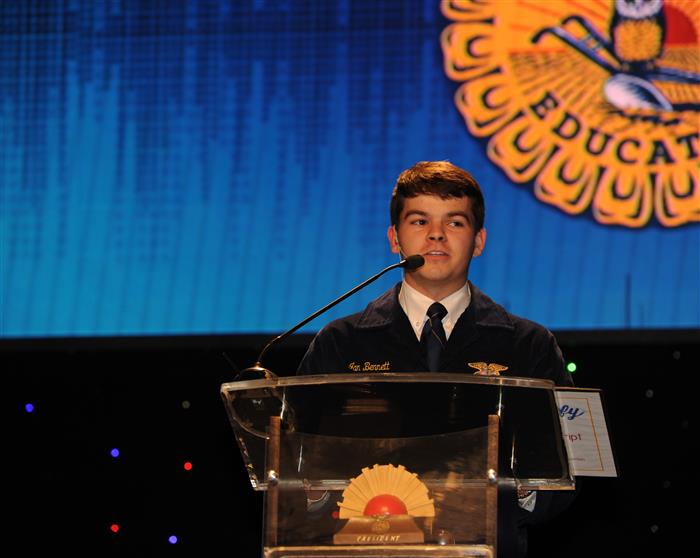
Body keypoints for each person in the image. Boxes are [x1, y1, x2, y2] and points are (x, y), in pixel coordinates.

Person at [296, 160, 576, 557]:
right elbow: (298, 464)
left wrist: (525, 487)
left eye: (455, 222)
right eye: (419, 221)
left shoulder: (528, 345)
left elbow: (565, 472)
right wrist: (313, 490)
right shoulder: (342, 343)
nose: (436, 235)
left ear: (478, 241)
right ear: (395, 239)